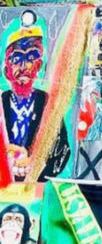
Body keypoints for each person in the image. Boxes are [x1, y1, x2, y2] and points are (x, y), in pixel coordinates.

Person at [2, 10, 69, 181]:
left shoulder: (47, 103)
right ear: (6, 68)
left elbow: (62, 151)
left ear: (39, 65)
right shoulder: (1, 102)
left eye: (31, 57)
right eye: (16, 59)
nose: (24, 66)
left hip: (37, 187)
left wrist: (36, 164)